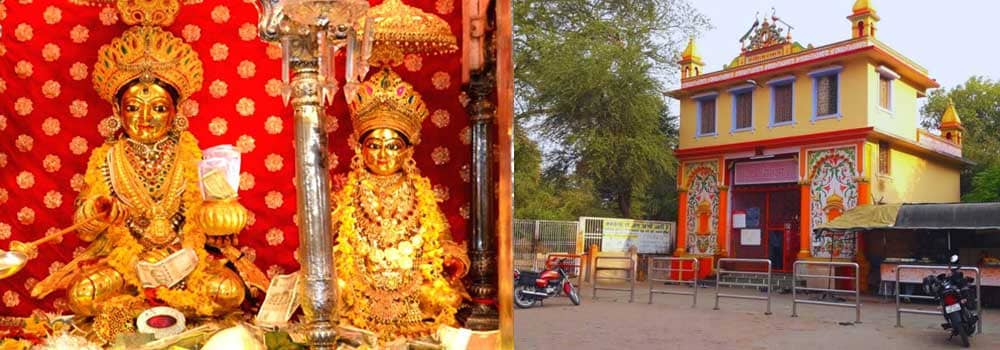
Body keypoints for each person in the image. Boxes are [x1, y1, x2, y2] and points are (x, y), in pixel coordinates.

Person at [30, 25, 267, 325]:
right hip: (126, 265)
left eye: (157, 108)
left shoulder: (193, 157)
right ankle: (166, 314)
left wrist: (222, 213)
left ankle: (139, 316)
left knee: (229, 291)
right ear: (117, 110)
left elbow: (220, 221)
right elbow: (84, 229)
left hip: (186, 262)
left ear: (175, 110)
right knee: (82, 296)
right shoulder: (107, 158)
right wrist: (98, 210)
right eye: (132, 107)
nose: (145, 119)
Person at [331, 69, 469, 342]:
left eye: (393, 146)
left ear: (407, 151)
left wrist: (453, 259)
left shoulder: (420, 193)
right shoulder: (347, 193)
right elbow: (328, 243)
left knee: (445, 297)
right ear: (361, 149)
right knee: (333, 291)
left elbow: (442, 238)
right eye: (374, 145)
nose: (383, 155)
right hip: (360, 283)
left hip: (412, 283)